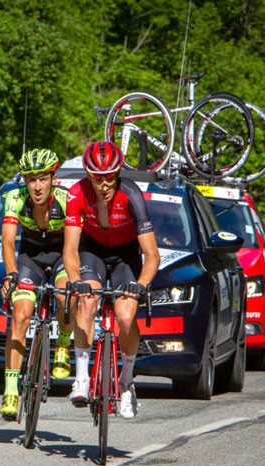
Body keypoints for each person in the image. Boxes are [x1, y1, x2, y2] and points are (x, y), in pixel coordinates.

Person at [63, 140, 159, 419]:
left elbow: (152, 254)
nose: (104, 185)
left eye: (109, 178)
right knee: (87, 301)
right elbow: (70, 249)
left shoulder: (131, 194)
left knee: (126, 316)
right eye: (96, 178)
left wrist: (141, 284)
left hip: (125, 254)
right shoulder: (77, 193)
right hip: (91, 250)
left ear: (118, 174)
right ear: (87, 175)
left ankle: (127, 383)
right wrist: (74, 279)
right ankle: (81, 378)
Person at [0, 148, 75, 420]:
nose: (37, 186)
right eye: (31, 180)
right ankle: (10, 390)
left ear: (53, 178)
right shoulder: (14, 198)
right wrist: (11, 274)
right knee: (20, 314)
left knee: (67, 296)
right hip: (30, 257)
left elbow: (74, 246)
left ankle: (63, 346)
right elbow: (8, 241)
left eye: (42, 179)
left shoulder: (67, 200)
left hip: (61, 255)